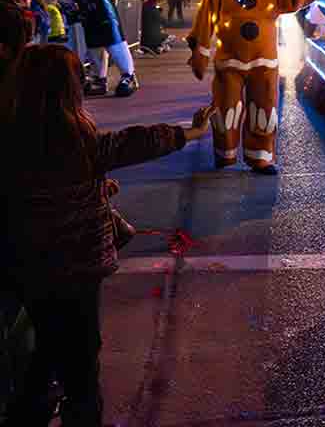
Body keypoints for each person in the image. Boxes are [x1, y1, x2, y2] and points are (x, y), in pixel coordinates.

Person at [0, 45, 213, 426]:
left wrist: (93, 187)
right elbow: (133, 143)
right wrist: (192, 132)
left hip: (25, 264)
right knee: (80, 355)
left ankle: (30, 409)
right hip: (77, 266)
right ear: (69, 89)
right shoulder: (76, 137)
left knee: (47, 342)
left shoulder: (12, 136)